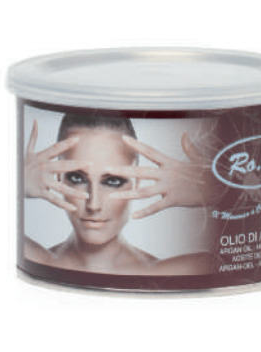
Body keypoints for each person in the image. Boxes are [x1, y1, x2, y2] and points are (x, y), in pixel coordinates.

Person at [23, 113, 217, 275]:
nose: (94, 204)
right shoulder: (33, 259)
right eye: (77, 178)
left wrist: (217, 191)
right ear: (58, 178)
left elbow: (234, 266)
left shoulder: (175, 271)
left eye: (113, 181)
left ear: (137, 182)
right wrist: (18, 181)